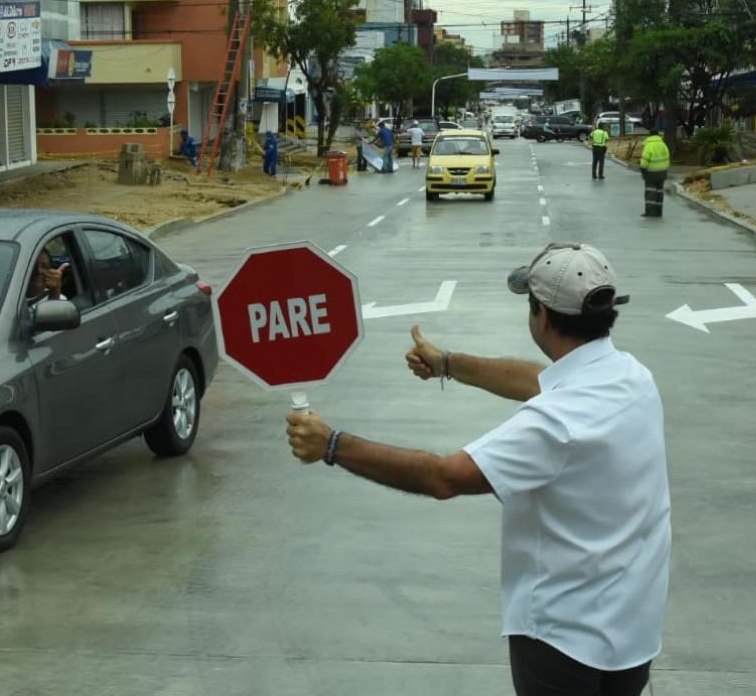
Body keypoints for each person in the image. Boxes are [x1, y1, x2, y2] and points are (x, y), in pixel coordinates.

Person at [285, 243, 670, 696]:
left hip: (565, 639)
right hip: (634, 628)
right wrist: (447, 363)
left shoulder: (556, 422)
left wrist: (332, 444)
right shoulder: (633, 378)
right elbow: (536, 382)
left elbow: (444, 477)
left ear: (542, 316)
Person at [638, 129, 671, 217]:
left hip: (651, 172)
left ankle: (650, 212)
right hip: (662, 172)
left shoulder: (649, 145)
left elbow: (645, 160)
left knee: (650, 192)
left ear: (649, 135)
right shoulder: (663, 145)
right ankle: (658, 211)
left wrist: (643, 170)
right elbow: (668, 157)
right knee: (659, 192)